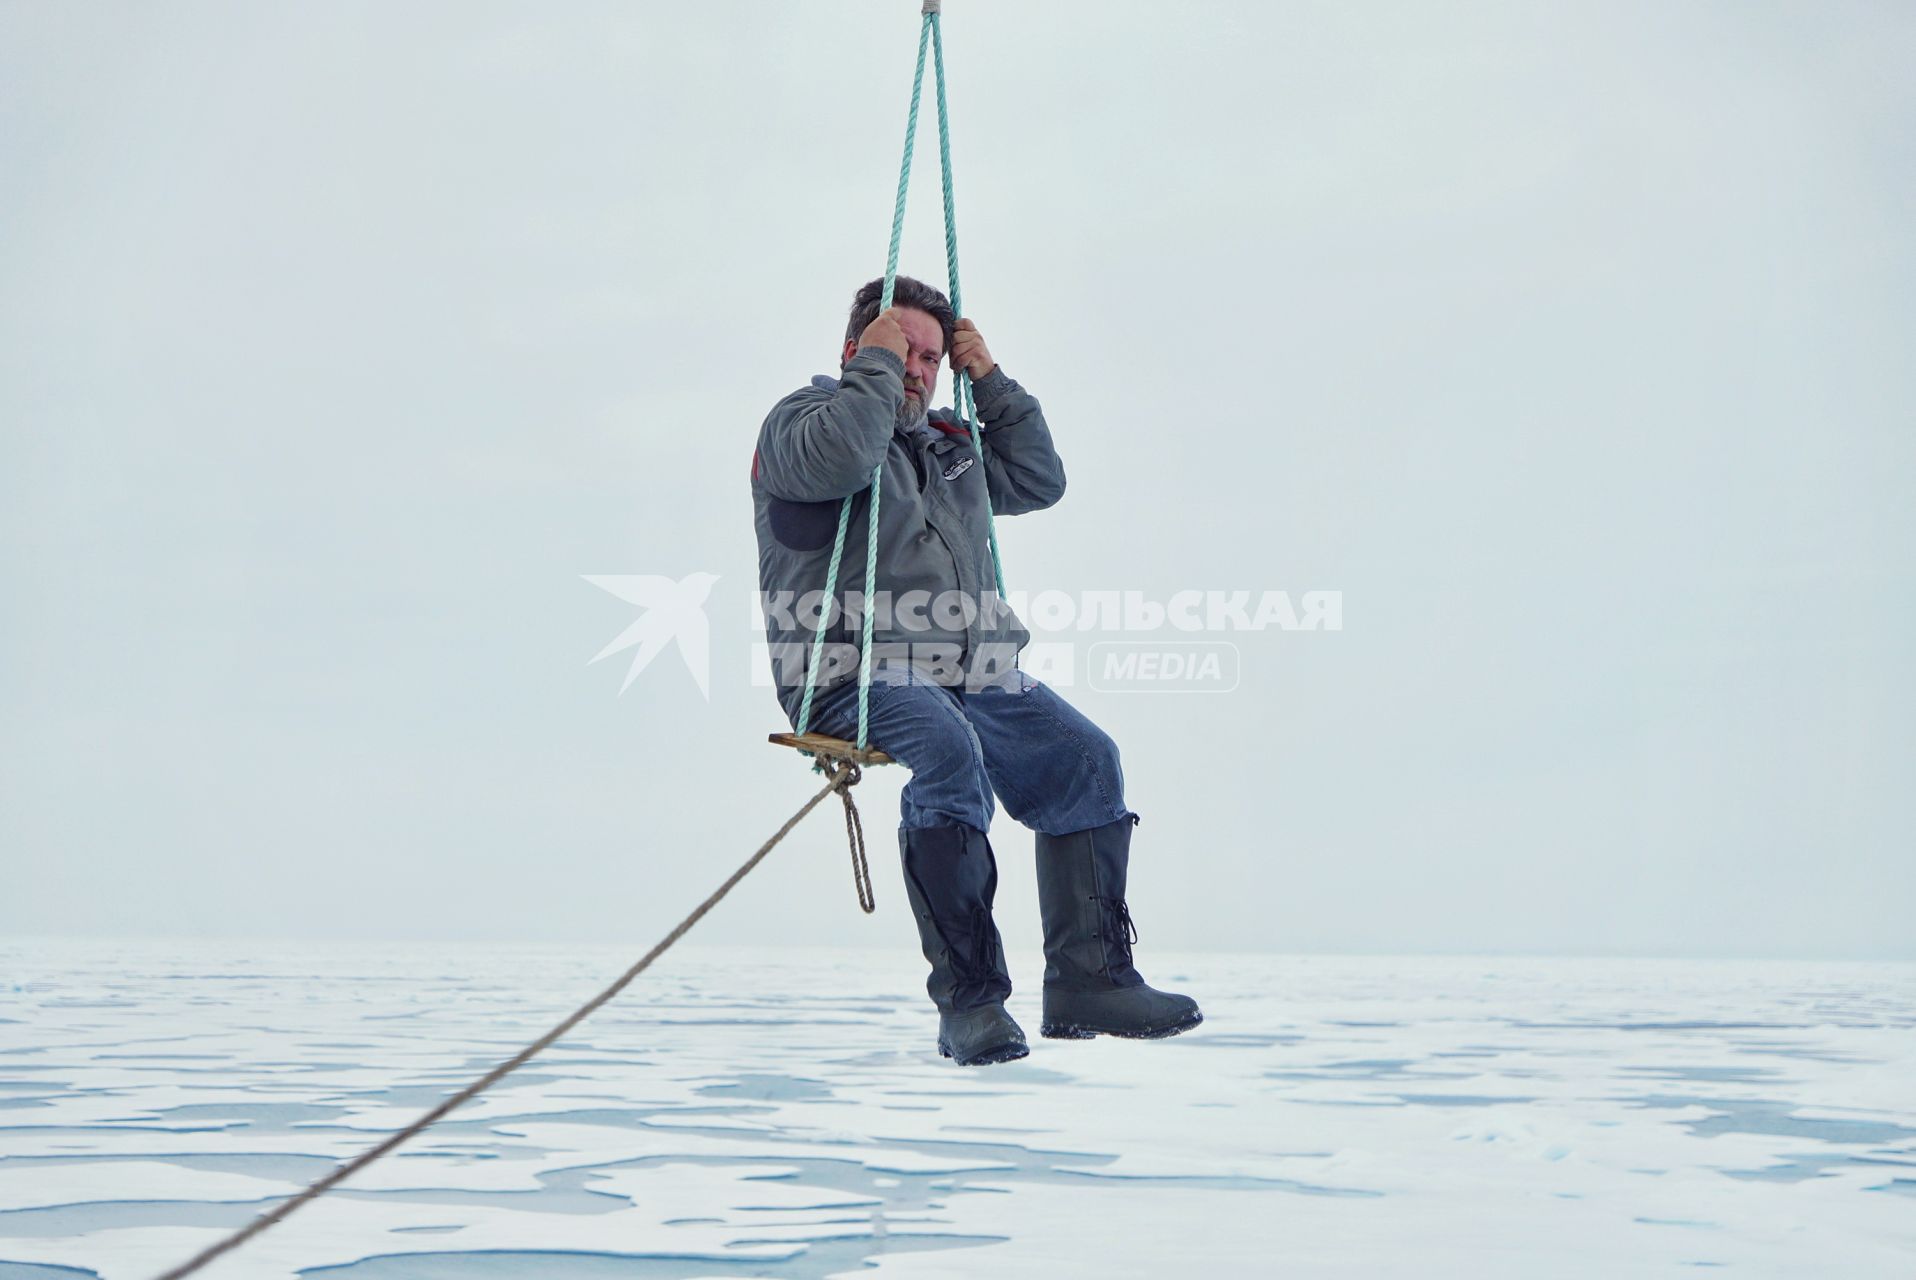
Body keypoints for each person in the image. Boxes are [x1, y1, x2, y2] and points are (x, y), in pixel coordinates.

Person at [750, 275, 1201, 1065]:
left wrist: (989, 381)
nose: (921, 370)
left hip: (967, 669)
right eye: (905, 352)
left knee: (1084, 760)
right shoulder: (802, 425)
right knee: (950, 751)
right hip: (851, 674)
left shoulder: (946, 447)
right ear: (857, 352)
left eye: (931, 357)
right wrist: (878, 371)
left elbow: (1037, 480)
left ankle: (1088, 981)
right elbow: (846, 457)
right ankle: (970, 1003)